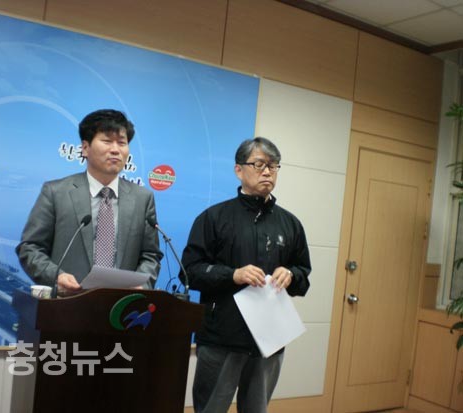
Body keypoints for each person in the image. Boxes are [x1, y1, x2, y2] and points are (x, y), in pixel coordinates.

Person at [181, 137, 311, 413]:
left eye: (273, 166)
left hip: (270, 338)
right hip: (221, 336)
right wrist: (233, 275)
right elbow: (190, 272)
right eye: (259, 164)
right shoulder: (214, 218)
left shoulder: (290, 224)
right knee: (211, 408)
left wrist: (291, 274)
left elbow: (303, 275)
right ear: (239, 170)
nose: (267, 172)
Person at [16, 109, 162, 295]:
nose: (115, 150)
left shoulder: (142, 198)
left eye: (122, 143)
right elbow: (30, 247)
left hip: (120, 306)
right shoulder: (56, 192)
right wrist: (56, 276)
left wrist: (142, 284)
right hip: (67, 303)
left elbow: (151, 255)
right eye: (107, 141)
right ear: (85, 148)